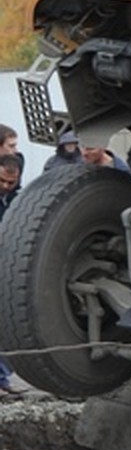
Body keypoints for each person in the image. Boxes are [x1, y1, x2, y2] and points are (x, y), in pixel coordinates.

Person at [0, 154, 26, 395]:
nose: (6, 186)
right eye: (2, 181)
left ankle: (3, 378)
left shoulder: (18, 200)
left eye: (11, 182)